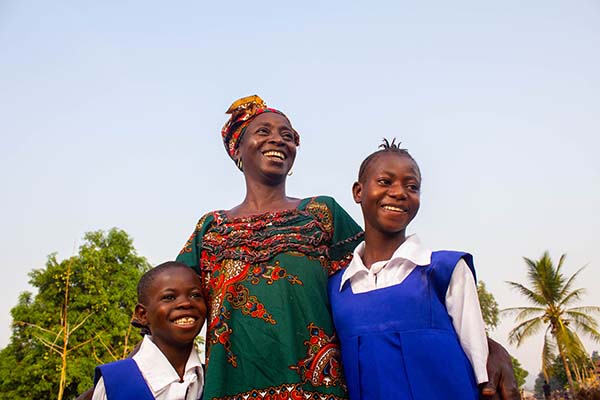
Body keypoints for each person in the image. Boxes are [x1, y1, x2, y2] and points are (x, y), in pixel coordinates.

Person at [175, 95, 520, 400]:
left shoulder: (321, 214)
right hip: (228, 388)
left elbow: (387, 284)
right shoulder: (211, 228)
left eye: (287, 134)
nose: (277, 139)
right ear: (237, 148)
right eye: (263, 131)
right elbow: (174, 308)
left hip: (319, 392)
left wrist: (485, 346)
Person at [327, 139, 488, 399]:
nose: (400, 192)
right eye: (385, 182)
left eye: (412, 186)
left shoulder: (445, 271)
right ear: (358, 192)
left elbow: (482, 369)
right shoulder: (336, 288)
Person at [92, 261, 206, 400]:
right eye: (169, 297)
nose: (186, 303)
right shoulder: (115, 383)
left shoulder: (214, 381)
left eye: (195, 295)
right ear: (142, 315)